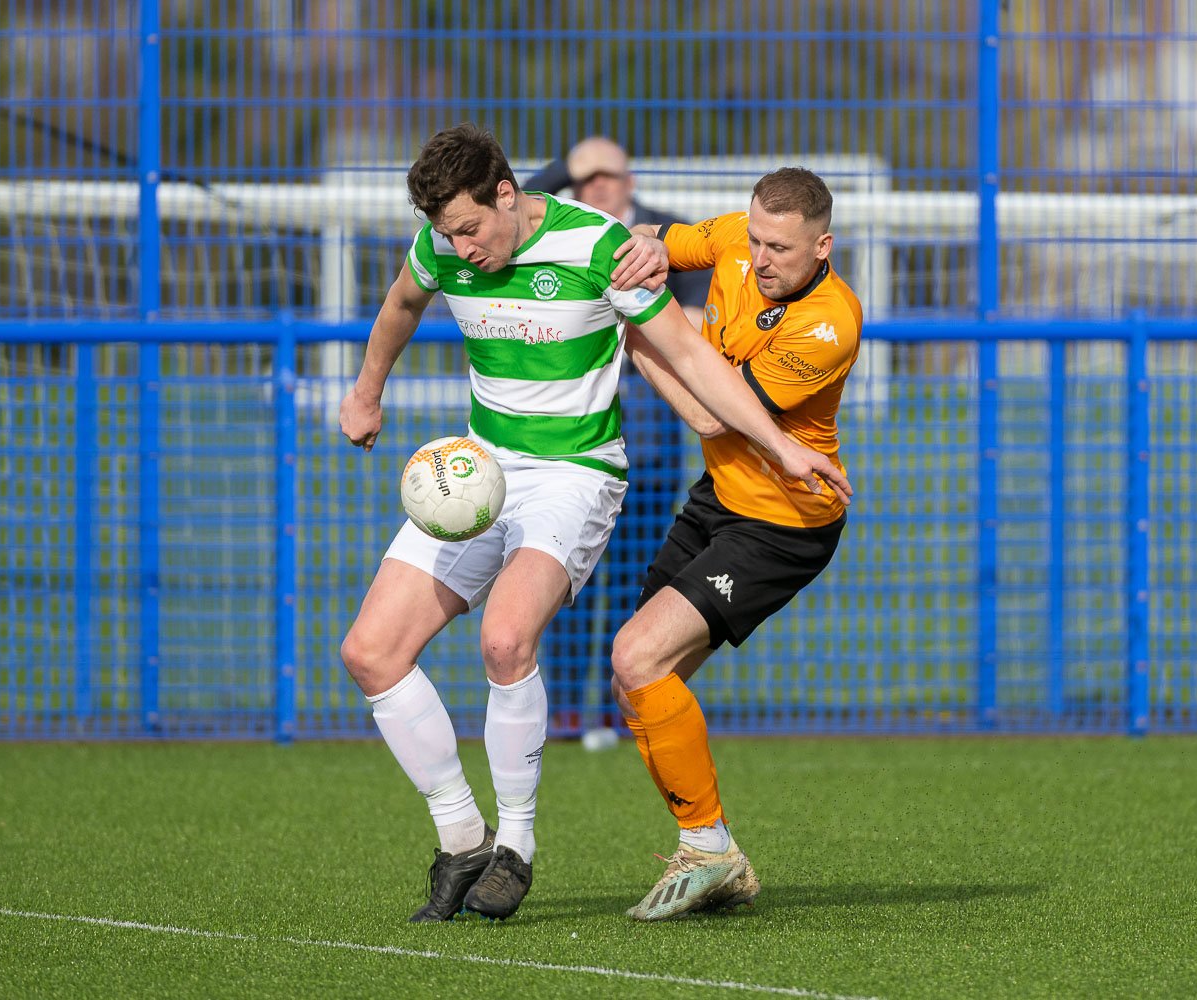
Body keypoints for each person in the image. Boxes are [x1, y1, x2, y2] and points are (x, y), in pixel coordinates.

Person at [338, 127, 851, 924]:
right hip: (493, 469)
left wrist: (778, 443)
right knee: (370, 652)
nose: (458, 247)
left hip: (599, 479)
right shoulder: (445, 247)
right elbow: (404, 301)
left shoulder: (819, 322)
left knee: (516, 641)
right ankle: (462, 837)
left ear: (507, 193)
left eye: (469, 227)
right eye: (445, 233)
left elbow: (696, 368)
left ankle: (520, 847)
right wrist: (366, 390)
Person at [604, 167, 863, 920]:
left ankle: (709, 848)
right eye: (754, 238)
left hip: (785, 524)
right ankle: (715, 856)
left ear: (822, 246)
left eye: (780, 246)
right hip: (719, 501)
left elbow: (713, 412)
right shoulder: (735, 244)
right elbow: (655, 241)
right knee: (638, 683)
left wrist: (640, 330)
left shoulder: (829, 322)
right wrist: (639, 248)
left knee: (636, 656)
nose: (760, 257)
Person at [521, 138, 713, 735]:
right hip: (574, 444)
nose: (596, 186)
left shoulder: (667, 237)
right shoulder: (555, 239)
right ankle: (569, 710)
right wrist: (562, 169)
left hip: (650, 448)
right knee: (570, 577)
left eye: (608, 175)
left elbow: (696, 331)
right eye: (584, 178)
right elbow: (506, 210)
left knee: (639, 574)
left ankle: (621, 700)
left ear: (630, 182)